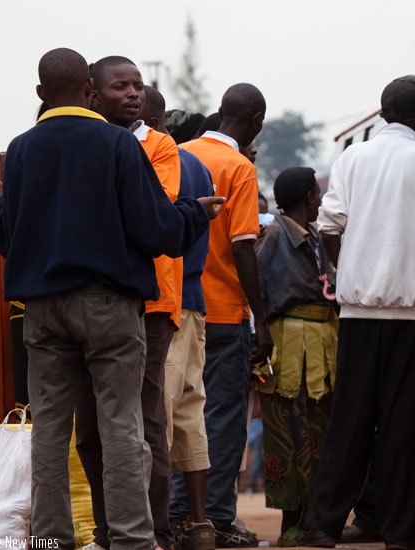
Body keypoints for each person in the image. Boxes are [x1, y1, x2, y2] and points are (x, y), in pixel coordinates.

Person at [0, 47, 221, 550]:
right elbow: (155, 228)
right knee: (122, 424)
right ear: (91, 92)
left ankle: (50, 541)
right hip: (108, 306)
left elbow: (7, 236)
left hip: (43, 311)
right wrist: (195, 214)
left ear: (39, 94)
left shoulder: (22, 149)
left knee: (50, 430)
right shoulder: (117, 145)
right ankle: (132, 541)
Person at [295, 74, 415, 550]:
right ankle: (399, 535)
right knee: (402, 425)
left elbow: (328, 225)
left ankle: (322, 527)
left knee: (350, 421)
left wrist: (352, 272)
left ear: (384, 114)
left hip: (357, 311)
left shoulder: (352, 158)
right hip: (408, 317)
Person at [76, 57, 182, 550]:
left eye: (138, 86)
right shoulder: (85, 141)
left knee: (143, 420)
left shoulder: (158, 145)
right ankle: (105, 529)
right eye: (121, 86)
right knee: (91, 428)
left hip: (150, 301)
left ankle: (151, 530)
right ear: (92, 94)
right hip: (87, 301)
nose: (135, 94)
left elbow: (152, 213)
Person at [175, 83, 273, 547]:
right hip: (226, 314)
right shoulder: (239, 168)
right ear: (255, 121)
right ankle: (215, 517)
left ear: (219, 112)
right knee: (224, 421)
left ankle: (179, 515)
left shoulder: (179, 155)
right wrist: (261, 318)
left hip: (181, 308)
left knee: (180, 415)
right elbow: (243, 249)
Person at [253, 166, 338, 546]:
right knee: (289, 432)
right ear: (307, 197)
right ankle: (291, 524)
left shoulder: (314, 237)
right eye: (317, 194)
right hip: (288, 345)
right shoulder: (273, 237)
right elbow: (256, 286)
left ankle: (312, 522)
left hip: (322, 344)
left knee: (319, 433)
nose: (320, 200)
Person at [149, 95, 218, 546]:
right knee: (191, 407)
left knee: (157, 414)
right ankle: (198, 521)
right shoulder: (198, 167)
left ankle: (158, 526)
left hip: (159, 299)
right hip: (194, 297)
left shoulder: (145, 160)